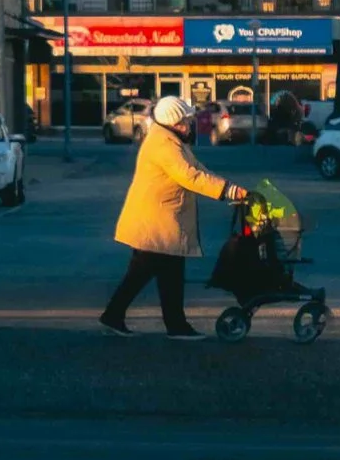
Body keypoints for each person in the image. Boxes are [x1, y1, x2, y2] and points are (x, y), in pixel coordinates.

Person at [99, 94, 248, 339]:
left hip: (161, 221)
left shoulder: (170, 139)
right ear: (174, 122)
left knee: (165, 274)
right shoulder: (164, 144)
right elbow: (189, 176)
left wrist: (228, 187)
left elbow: (198, 168)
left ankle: (167, 323)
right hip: (156, 222)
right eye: (186, 121)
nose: (189, 124)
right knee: (147, 273)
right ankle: (145, 320)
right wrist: (227, 191)